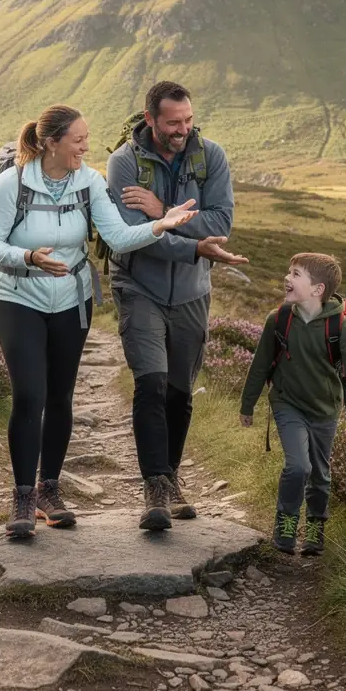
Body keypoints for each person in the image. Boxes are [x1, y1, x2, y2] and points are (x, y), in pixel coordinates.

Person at [0, 104, 198, 540]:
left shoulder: (89, 181)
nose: (85, 147)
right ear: (51, 143)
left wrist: (162, 225)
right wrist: (27, 257)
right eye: (78, 140)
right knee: (29, 396)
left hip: (72, 301)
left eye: (86, 139)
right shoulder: (12, 183)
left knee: (60, 396)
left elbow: (116, 236)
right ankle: (22, 495)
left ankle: (49, 490)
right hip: (18, 297)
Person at [107, 80, 249, 531]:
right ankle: (154, 486)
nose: (182, 129)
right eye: (172, 123)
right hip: (138, 286)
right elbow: (134, 237)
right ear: (150, 119)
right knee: (151, 383)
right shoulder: (125, 163)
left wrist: (160, 212)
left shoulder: (213, 157)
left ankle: (169, 477)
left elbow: (221, 222)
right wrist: (189, 244)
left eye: (187, 120)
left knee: (180, 393)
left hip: (191, 293)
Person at [238, 252, 346, 556]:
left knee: (320, 475)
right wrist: (247, 406)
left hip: (326, 409)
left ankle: (315, 528)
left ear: (318, 290)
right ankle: (285, 525)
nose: (287, 278)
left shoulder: (338, 327)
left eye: (296, 274)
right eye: (289, 272)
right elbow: (260, 366)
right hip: (287, 403)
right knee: (298, 466)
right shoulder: (278, 320)